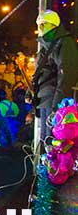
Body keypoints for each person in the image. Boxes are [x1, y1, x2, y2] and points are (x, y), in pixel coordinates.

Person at [32, 10, 78, 141]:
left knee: (54, 144)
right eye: (38, 24)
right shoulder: (46, 46)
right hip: (44, 102)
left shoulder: (64, 44)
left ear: (54, 25)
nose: (39, 27)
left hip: (53, 103)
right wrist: (31, 93)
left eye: (43, 23)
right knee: (45, 143)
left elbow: (67, 76)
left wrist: (58, 106)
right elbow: (40, 73)